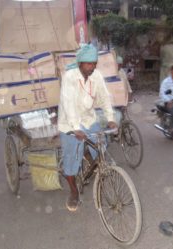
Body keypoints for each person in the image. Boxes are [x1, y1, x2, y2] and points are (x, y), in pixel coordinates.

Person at [58, 44, 118, 212]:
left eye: (94, 63)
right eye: (88, 63)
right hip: (69, 123)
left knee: (101, 147)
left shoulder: (96, 76)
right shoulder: (69, 77)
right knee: (70, 162)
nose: (92, 67)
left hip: (88, 119)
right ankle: (73, 192)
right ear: (80, 63)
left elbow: (105, 98)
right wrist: (76, 128)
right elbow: (68, 104)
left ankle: (95, 166)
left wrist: (111, 119)